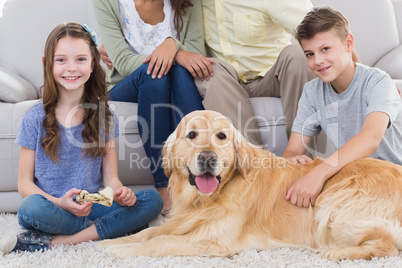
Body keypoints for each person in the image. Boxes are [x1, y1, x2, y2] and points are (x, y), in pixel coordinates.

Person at [0, 22, 163, 254]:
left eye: (80, 59)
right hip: (51, 207)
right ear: (47, 63)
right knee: (29, 208)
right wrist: (59, 203)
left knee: (151, 200)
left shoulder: (104, 117)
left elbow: (111, 180)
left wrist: (121, 193)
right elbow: (24, 185)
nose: (71, 68)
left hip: (92, 206)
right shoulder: (33, 118)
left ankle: (57, 242)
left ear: (92, 64)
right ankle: (110, 228)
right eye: (61, 60)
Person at [91, 0, 210, 212]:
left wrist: (172, 45)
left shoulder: (188, 1)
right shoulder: (106, 2)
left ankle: (198, 180)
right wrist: (178, 54)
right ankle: (165, 188)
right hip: (126, 85)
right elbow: (123, 61)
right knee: (154, 74)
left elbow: (195, 53)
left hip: (175, 81)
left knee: (181, 72)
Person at [283, 6, 402, 208]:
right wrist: (294, 161)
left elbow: (370, 138)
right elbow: (292, 150)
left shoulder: (378, 82)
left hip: (393, 178)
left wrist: (317, 174)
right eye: (309, 54)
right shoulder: (312, 92)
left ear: (348, 43)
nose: (318, 61)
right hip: (357, 179)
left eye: (325, 49)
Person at [196, 0, 316, 145]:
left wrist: (350, 66)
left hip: (273, 78)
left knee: (299, 55)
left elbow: (323, 31)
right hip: (228, 84)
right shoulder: (195, 4)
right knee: (209, 68)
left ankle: (302, 157)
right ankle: (250, 163)